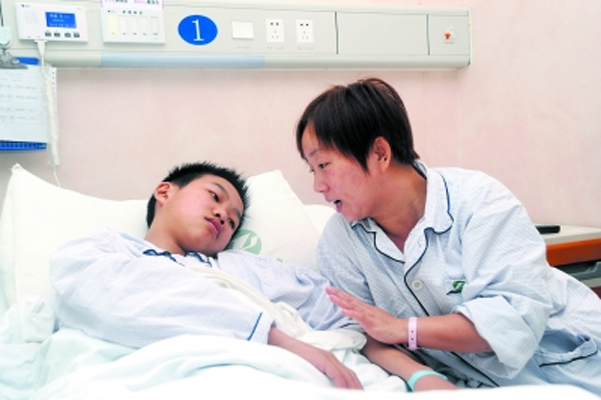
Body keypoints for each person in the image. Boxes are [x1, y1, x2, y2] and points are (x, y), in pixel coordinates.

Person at [295, 77, 601, 395]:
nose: (318, 185)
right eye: (312, 169)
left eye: (324, 165)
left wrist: (404, 329)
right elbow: (366, 334)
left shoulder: (478, 200)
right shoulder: (340, 241)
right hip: (478, 384)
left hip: (574, 361)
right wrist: (420, 376)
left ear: (380, 153)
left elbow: (512, 318)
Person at [49, 161, 455, 392]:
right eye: (214, 196)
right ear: (165, 192)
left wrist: (421, 376)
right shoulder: (102, 251)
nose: (223, 214)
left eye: (233, 219)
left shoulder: (247, 270)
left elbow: (352, 322)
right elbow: (99, 296)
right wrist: (281, 339)